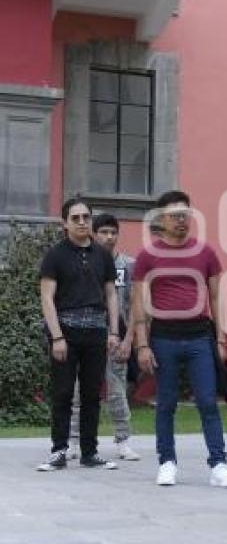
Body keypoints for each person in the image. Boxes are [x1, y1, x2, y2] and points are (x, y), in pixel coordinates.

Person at [131, 190, 227, 488]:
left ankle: (219, 464)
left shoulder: (205, 253)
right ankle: (167, 462)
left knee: (207, 401)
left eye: (186, 215)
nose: (182, 221)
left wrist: (220, 339)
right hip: (163, 338)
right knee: (166, 402)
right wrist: (141, 344)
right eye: (175, 215)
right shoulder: (148, 256)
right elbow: (139, 302)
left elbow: (216, 297)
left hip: (198, 337)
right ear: (161, 220)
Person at [37, 198, 121, 471]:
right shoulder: (55, 255)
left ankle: (90, 452)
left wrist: (114, 331)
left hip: (96, 332)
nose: (82, 222)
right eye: (76, 218)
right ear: (65, 223)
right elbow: (47, 298)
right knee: (62, 393)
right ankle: (59, 450)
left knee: (91, 394)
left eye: (86, 217)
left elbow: (111, 294)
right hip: (66, 333)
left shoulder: (103, 255)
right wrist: (57, 337)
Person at [67, 213, 140, 462]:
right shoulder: (82, 261)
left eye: (113, 232)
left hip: (115, 336)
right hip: (85, 334)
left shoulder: (128, 265)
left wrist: (129, 339)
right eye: (104, 232)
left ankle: (123, 441)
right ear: (93, 234)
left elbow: (135, 306)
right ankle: (73, 441)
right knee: (78, 390)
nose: (109, 237)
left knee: (117, 390)